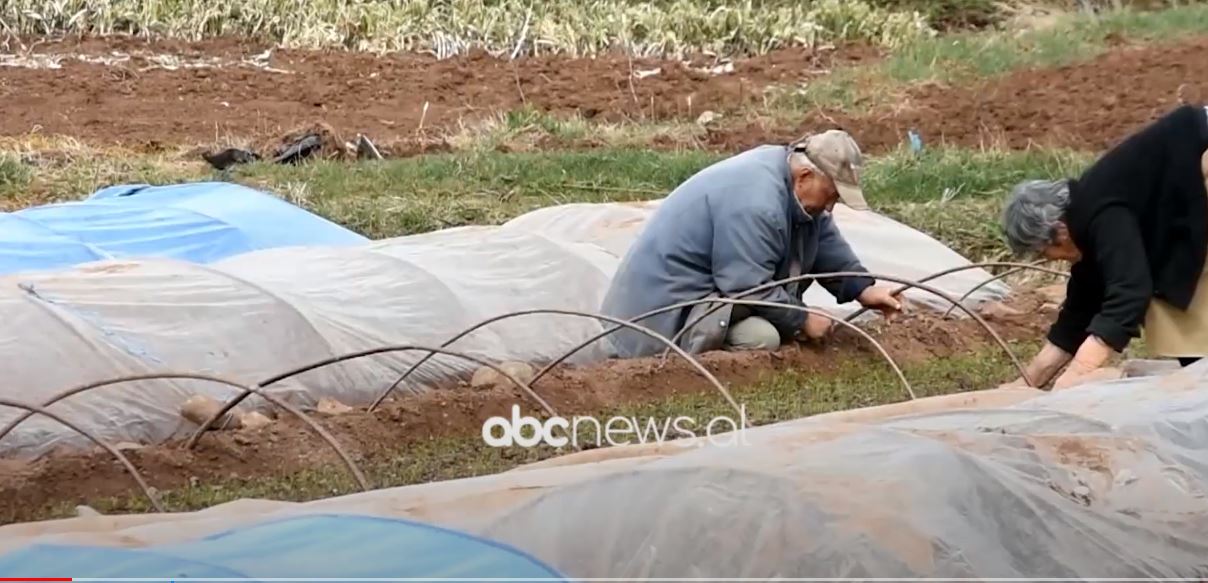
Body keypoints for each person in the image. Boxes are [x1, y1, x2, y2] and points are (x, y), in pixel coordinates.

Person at [599, 129, 903, 358]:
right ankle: (687, 369)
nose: (830, 208)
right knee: (763, 337)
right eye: (831, 195)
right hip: (659, 314)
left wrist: (862, 288)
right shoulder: (757, 203)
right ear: (805, 176)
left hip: (706, 295)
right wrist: (801, 318)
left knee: (774, 324)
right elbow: (745, 285)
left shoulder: (790, 177)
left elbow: (822, 236)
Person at [1001, 104, 1208, 390]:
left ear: (1058, 230)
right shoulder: (1085, 226)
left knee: (1174, 288)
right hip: (1191, 186)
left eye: (1043, 252)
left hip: (1201, 152)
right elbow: (1079, 311)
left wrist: (1078, 373)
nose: (1051, 259)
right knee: (1172, 298)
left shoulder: (1100, 210)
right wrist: (1025, 385)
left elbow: (1131, 291)